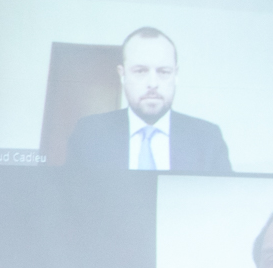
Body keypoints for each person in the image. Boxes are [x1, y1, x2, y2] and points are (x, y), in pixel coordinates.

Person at [65, 26, 232, 174]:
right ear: (122, 75)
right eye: (140, 71)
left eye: (164, 72)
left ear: (175, 75)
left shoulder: (208, 138)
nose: (153, 83)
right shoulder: (89, 133)